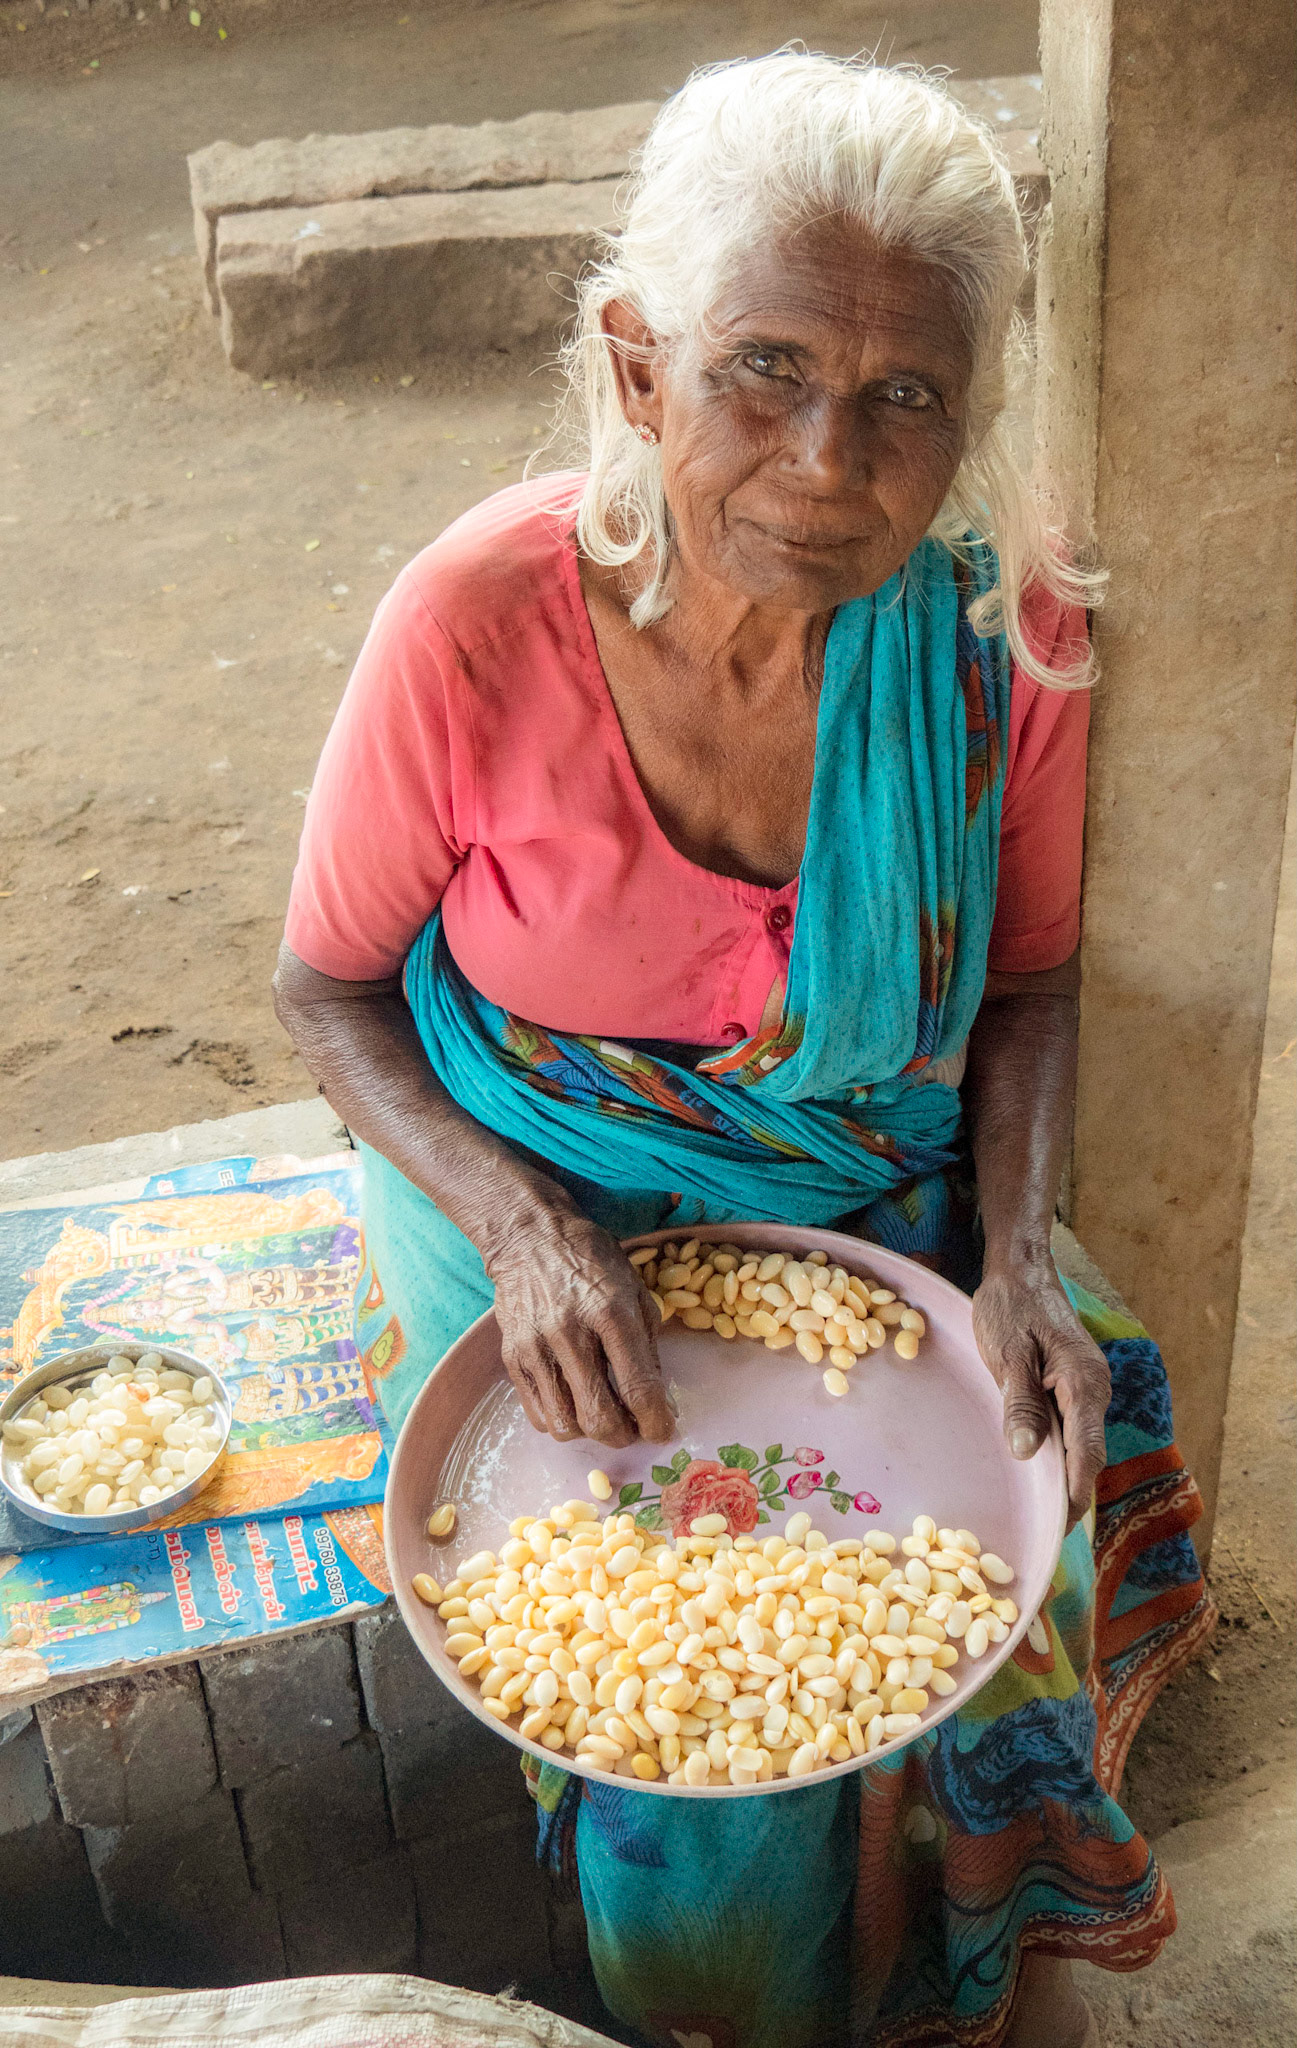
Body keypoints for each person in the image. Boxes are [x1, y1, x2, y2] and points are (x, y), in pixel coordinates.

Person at [275, 53, 1212, 2048]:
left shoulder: (996, 645)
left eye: (905, 399)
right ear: (635, 367)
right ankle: (718, 2007)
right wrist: (527, 1228)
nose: (826, 462)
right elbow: (327, 990)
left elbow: (1025, 988)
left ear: (964, 420)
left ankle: (956, 1975)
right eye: (763, 370)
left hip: (852, 1194)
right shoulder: (474, 623)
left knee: (1003, 1534)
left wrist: (1016, 1249)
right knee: (658, 1686)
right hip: (519, 1173)